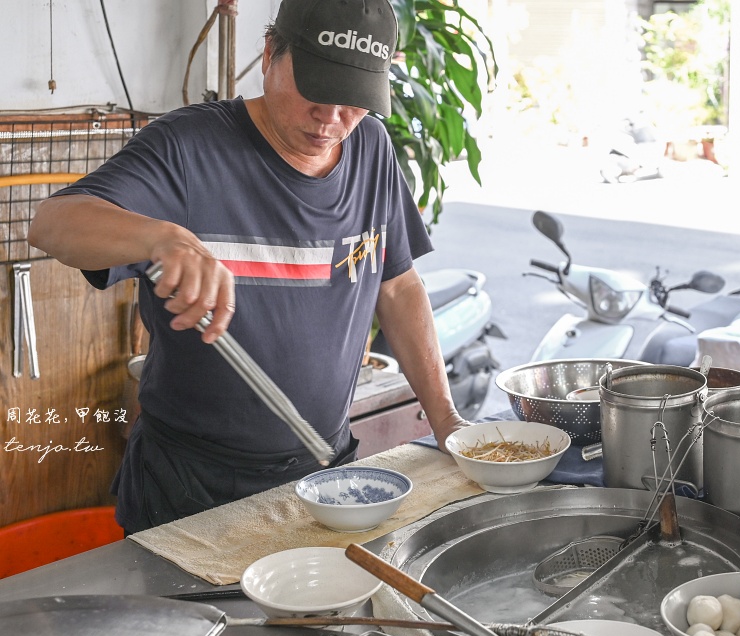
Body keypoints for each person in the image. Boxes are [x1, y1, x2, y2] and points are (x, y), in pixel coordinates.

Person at [28, 0, 468, 534]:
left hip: (323, 473)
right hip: (191, 487)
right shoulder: (189, 147)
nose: (331, 120)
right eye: (316, 90)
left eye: (352, 100)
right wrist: (162, 237)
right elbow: (53, 222)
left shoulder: (372, 149)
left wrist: (447, 421)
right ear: (268, 54)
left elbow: (398, 288)